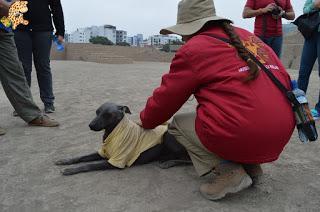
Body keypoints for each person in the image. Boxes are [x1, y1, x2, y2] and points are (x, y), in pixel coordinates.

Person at [139, 0, 295, 200]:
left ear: (190, 28)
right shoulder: (248, 37)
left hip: (248, 132)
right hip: (282, 130)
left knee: (178, 124)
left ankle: (229, 172)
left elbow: (164, 102)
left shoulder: (194, 48)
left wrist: (145, 121)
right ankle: (252, 167)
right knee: (237, 114)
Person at [0, 0, 59, 136]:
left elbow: (56, 7)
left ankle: (32, 115)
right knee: (24, 68)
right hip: (17, 28)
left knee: (16, 71)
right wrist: (10, 7)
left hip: (4, 28)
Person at [13, 0, 65, 114]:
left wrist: (60, 31)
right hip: (20, 30)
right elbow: (7, 4)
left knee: (43, 66)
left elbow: (56, 7)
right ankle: (22, 104)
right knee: (23, 68)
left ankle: (49, 103)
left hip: (43, 30)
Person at [298, 0, 320, 119]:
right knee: (303, 72)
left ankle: (319, 109)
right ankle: (299, 106)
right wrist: (314, 5)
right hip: (311, 33)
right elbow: (305, 9)